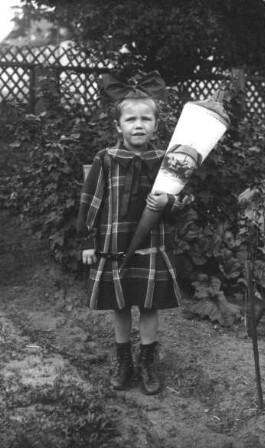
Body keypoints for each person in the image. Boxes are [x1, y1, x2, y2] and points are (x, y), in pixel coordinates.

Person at [77, 71, 191, 395]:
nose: (138, 125)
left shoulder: (167, 161)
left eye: (146, 118)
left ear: (156, 124)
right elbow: (91, 200)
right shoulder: (107, 159)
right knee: (121, 303)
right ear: (118, 126)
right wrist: (88, 240)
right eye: (131, 119)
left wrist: (170, 199)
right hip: (114, 242)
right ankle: (123, 359)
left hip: (153, 245)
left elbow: (184, 200)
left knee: (150, 304)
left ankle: (147, 361)